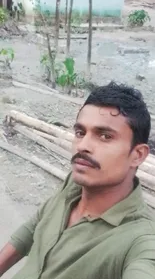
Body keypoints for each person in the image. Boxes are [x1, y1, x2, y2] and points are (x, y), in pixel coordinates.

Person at [0, 81, 155, 279]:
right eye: (80, 132)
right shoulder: (74, 185)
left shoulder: (141, 241)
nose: (83, 145)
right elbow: (34, 226)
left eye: (105, 136)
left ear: (138, 155)